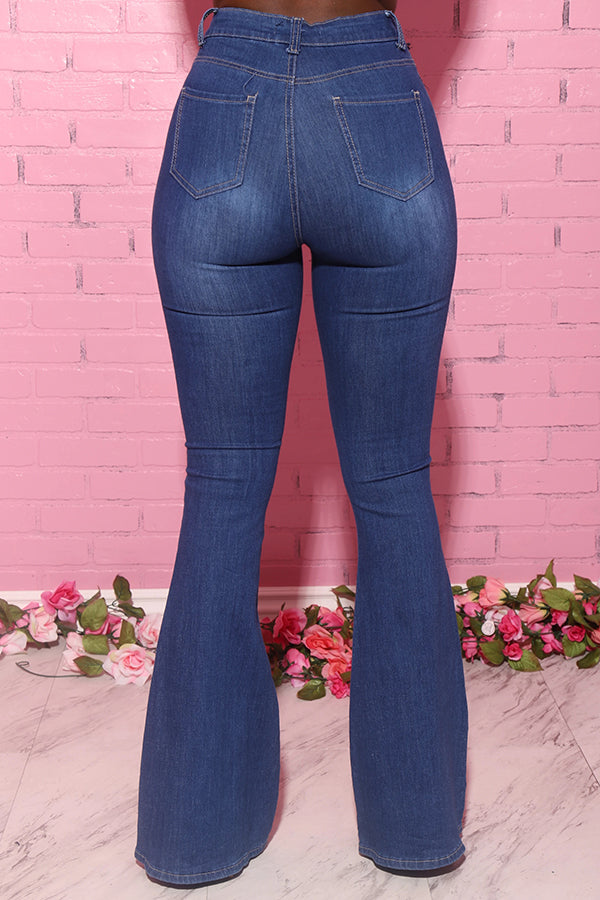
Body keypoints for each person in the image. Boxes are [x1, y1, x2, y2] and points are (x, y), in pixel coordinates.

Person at [135, 0, 469, 887]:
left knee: (221, 492)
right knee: (395, 490)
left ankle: (193, 840)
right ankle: (416, 829)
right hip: (380, 113)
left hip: (224, 115)